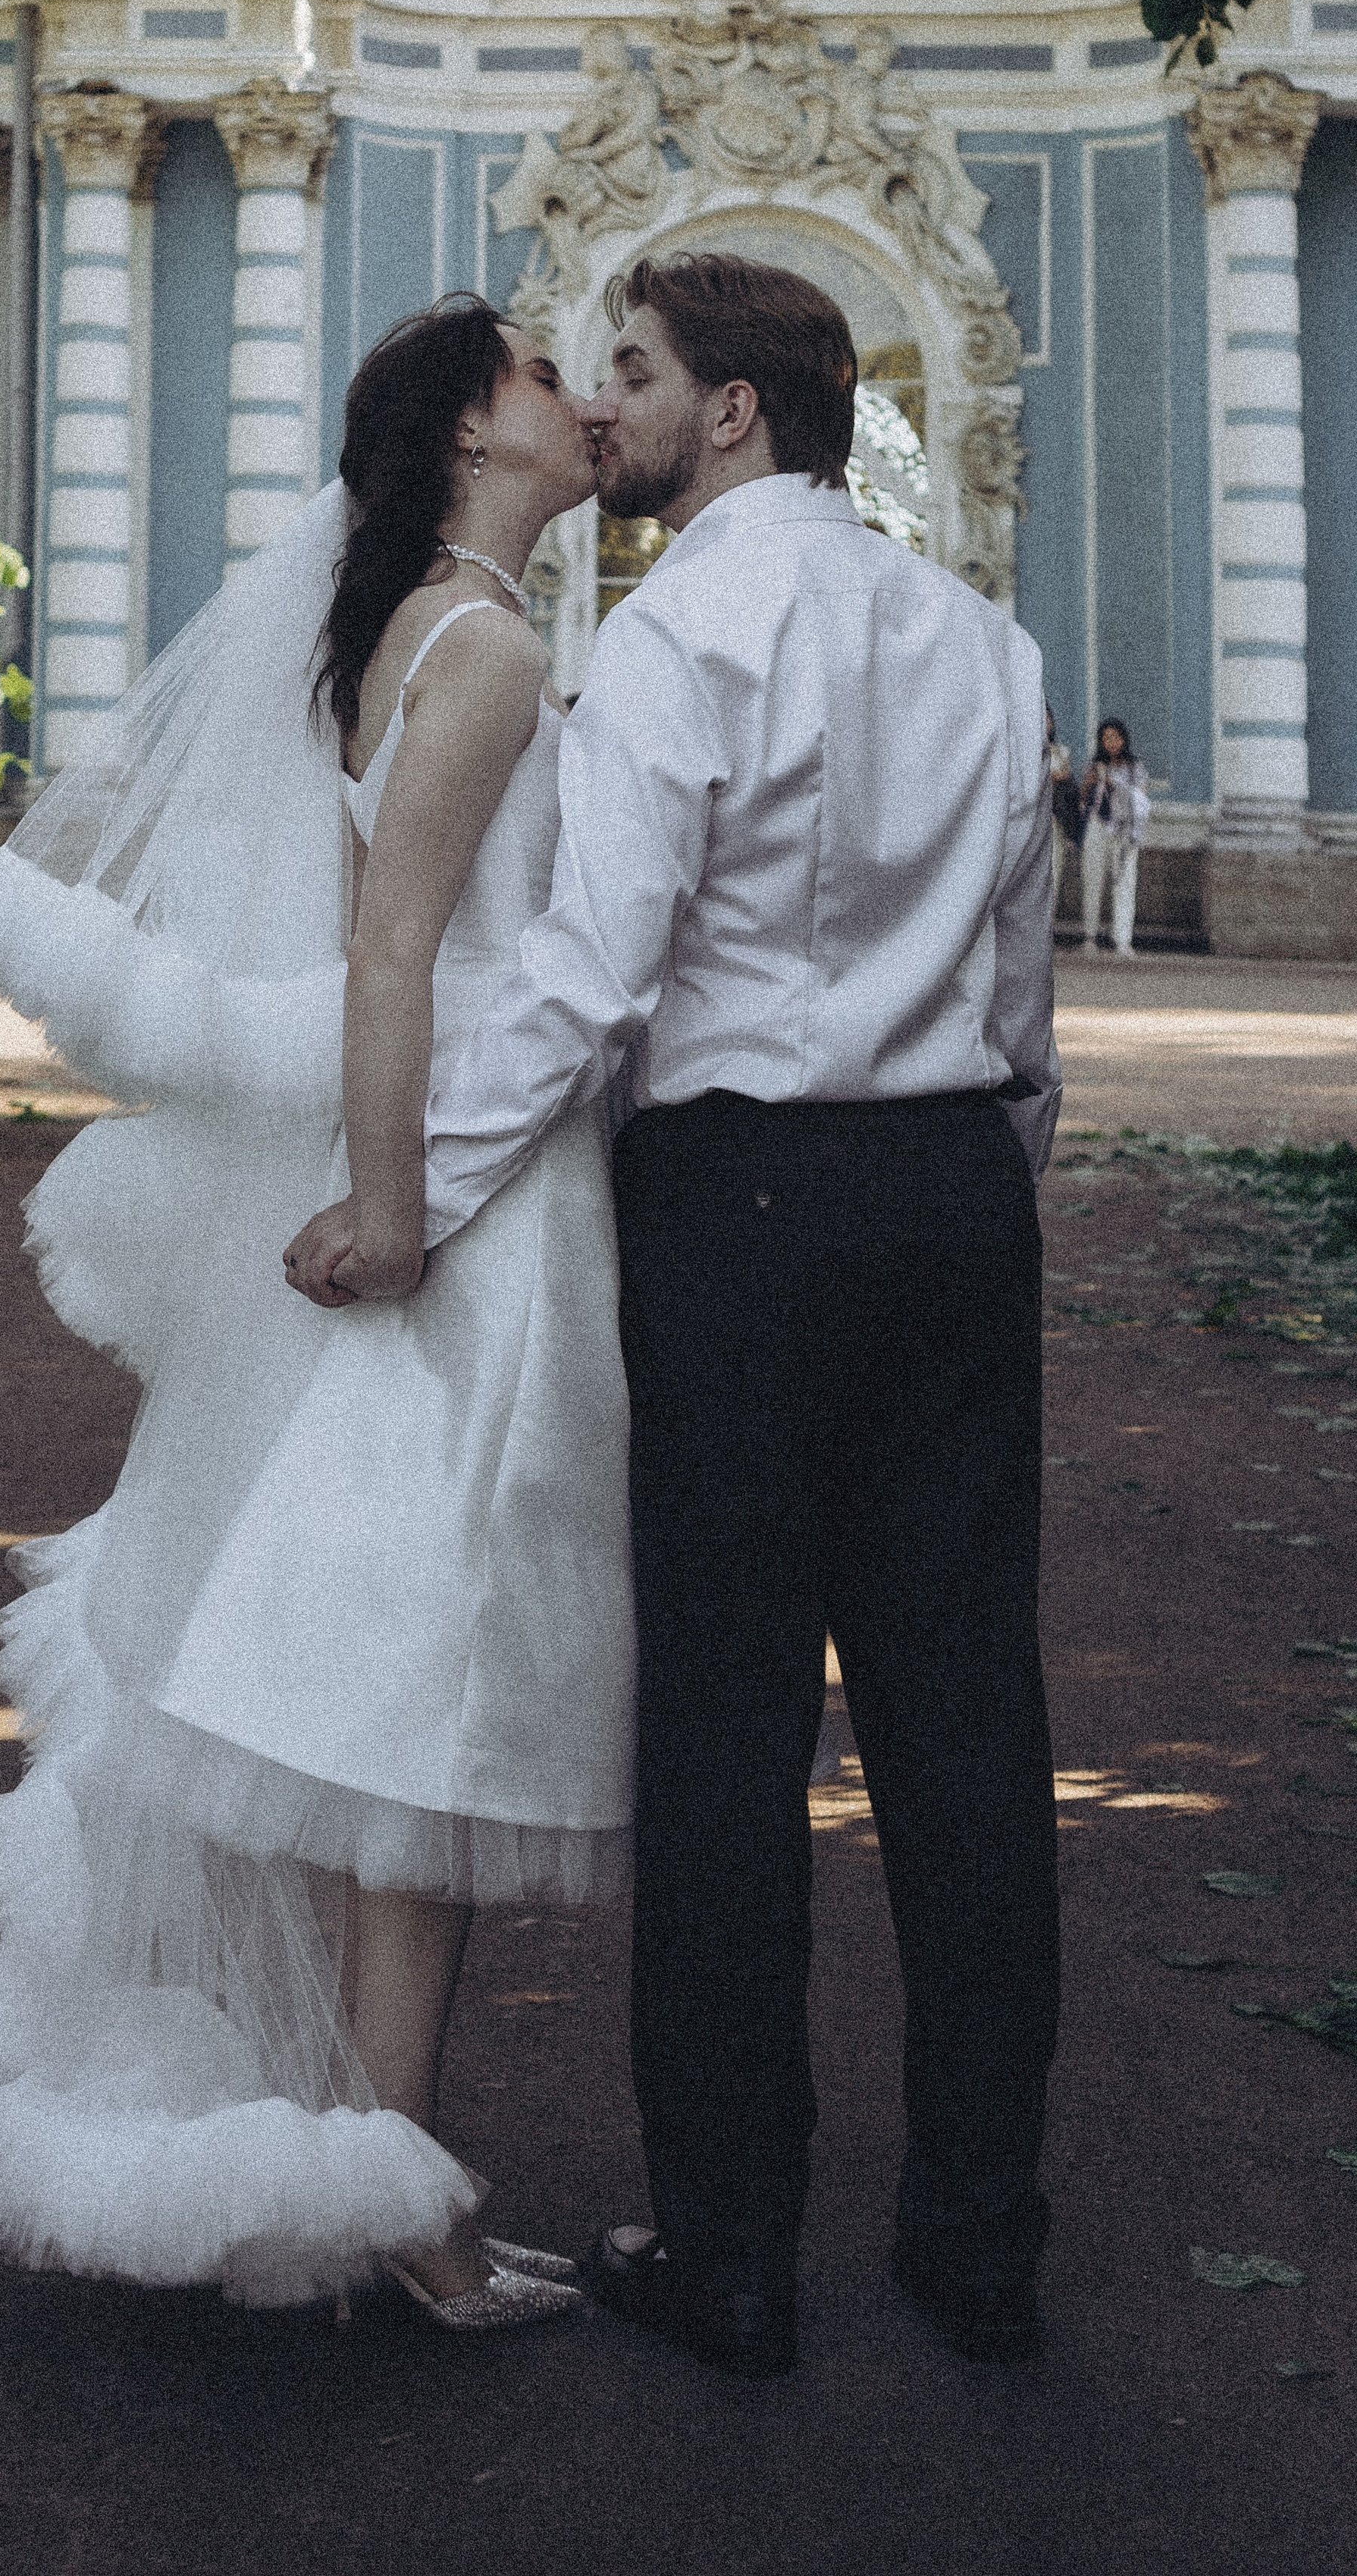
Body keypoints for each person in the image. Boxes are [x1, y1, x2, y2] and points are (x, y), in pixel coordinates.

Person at [290, 251, 1064, 2378]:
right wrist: (992, 1160)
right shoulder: (985, 642)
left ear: (736, 414)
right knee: (971, 1731)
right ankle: (981, 2241)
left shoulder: (666, 638)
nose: (604, 410)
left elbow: (587, 981)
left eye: (629, 375)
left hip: (735, 1207)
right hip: (949, 1200)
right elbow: (1020, 996)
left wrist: (408, 1203)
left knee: (727, 1739)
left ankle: (730, 2255)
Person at [0, 297, 635, 2327]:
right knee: (425, 1707)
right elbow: (394, 957)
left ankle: (378, 2160)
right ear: (478, 429)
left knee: (363, 1698)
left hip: (433, 1174)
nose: (586, 403)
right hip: (464, 1206)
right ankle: (411, 2212)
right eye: (551, 375)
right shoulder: (482, 647)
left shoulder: (394, 632)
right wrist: (395, 1206)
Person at [1079, 717, 1149, 955]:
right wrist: (1089, 783)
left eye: (1116, 737)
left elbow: (1140, 798)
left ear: (1124, 739)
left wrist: (1113, 784)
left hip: (1124, 830)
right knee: (1092, 879)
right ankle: (1090, 936)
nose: (1111, 743)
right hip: (1097, 826)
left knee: (1124, 882)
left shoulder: (1134, 766)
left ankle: (1123, 940)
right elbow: (1082, 799)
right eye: (1106, 738)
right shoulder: (1094, 763)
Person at [1045, 701, 1080, 917]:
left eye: (1047, 718)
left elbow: (1068, 784)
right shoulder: (1025, 750)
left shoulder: (1061, 752)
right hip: (1033, 819)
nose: (1045, 723)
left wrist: (1063, 778)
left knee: (1054, 870)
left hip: (1055, 818)